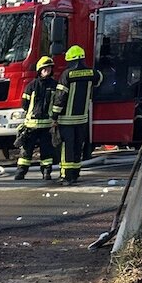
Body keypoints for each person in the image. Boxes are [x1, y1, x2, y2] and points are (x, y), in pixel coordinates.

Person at [50, 45, 102, 185]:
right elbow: (100, 80)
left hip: (66, 120)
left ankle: (66, 176)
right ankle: (75, 174)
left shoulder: (67, 74)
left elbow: (60, 97)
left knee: (67, 147)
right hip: (82, 119)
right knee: (78, 146)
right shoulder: (92, 73)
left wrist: (54, 116)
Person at [15, 56, 58, 181]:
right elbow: (24, 104)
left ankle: (46, 172)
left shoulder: (55, 85)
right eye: (45, 68)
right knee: (26, 151)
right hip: (31, 125)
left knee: (47, 152)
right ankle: (20, 173)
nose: (47, 70)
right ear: (39, 70)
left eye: (49, 68)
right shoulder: (32, 85)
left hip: (46, 125)